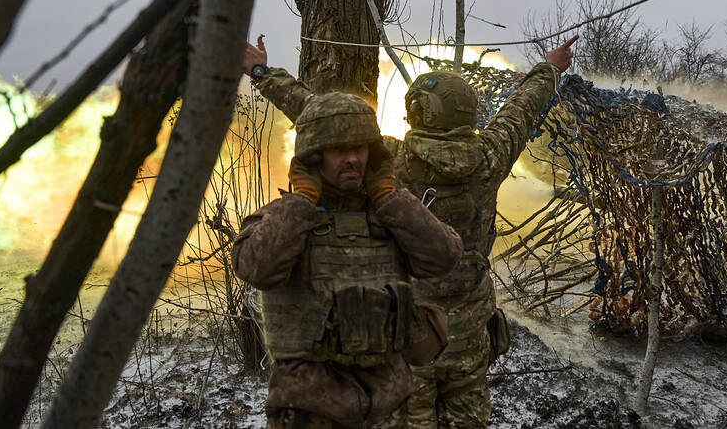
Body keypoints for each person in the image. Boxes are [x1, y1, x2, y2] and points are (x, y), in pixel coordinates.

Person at [242, 34, 577, 428]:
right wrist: (551, 68)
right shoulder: (491, 154)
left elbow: (318, 114)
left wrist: (261, 72)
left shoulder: (392, 160)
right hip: (471, 332)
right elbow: (522, 107)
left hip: (413, 331)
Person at [231, 90, 464, 429]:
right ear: (313, 157)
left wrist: (390, 198)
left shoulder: (393, 214)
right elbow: (257, 268)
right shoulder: (286, 217)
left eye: (359, 148)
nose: (352, 158)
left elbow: (444, 259)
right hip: (309, 412)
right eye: (338, 149)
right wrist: (302, 204)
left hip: (390, 409)